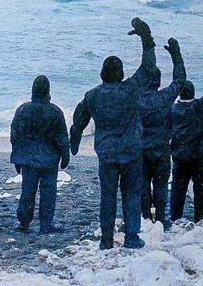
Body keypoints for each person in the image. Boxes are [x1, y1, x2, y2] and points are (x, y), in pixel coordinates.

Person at [70, 18, 157, 250]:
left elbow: (79, 120)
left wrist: (74, 143)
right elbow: (148, 68)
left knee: (107, 196)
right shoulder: (130, 89)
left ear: (102, 74)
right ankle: (131, 237)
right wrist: (146, 38)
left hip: (107, 153)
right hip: (131, 151)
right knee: (131, 194)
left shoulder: (92, 95)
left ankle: (107, 240)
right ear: (120, 73)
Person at [10, 75, 69, 234]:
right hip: (49, 159)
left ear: (33, 91)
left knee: (27, 191)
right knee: (48, 191)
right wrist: (65, 156)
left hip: (28, 158)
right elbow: (62, 137)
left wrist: (17, 158)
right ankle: (46, 224)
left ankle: (23, 223)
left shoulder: (23, 109)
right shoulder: (56, 111)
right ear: (48, 92)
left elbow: (15, 136)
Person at [138, 37, 186, 229]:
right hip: (161, 148)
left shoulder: (136, 99)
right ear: (158, 81)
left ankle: (144, 217)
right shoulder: (164, 97)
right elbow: (180, 81)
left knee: (142, 185)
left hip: (141, 148)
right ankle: (160, 218)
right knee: (160, 185)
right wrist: (177, 57)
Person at [170, 58, 203, 222]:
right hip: (199, 155)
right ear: (193, 93)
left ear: (180, 93)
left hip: (179, 157)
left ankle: (174, 222)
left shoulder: (172, 109)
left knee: (177, 192)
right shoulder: (201, 106)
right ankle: (201, 221)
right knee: (200, 191)